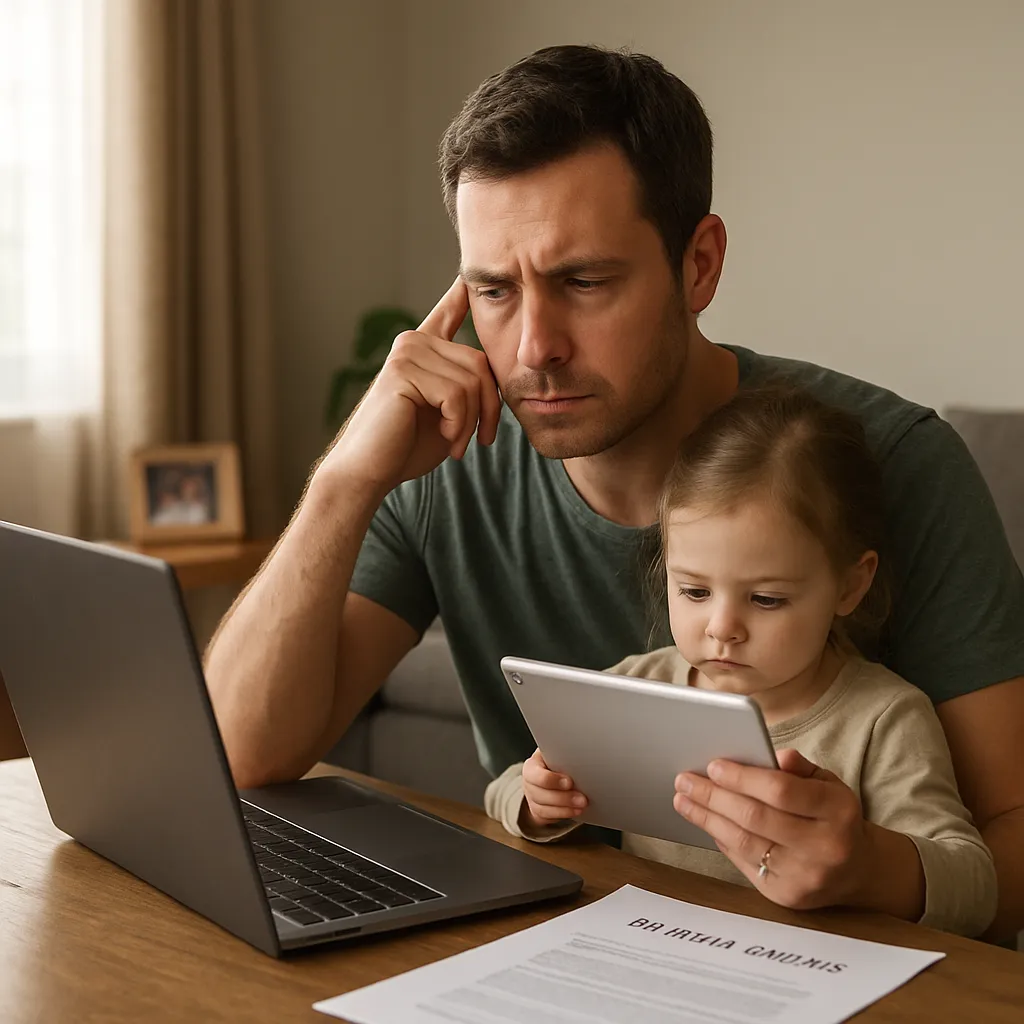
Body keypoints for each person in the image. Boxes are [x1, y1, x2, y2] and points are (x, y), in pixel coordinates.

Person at [204, 45, 1024, 940]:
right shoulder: (442, 460)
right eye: (495, 291)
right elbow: (241, 759)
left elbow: (1008, 841)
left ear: (699, 265)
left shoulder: (894, 464)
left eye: (583, 281)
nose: (532, 348)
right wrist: (341, 482)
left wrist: (879, 868)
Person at [486, 387, 996, 937]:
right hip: (650, 949)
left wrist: (866, 864)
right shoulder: (644, 687)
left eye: (767, 599)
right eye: (694, 592)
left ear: (851, 585)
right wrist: (539, 803)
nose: (722, 628)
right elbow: (503, 789)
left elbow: (974, 885)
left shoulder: (882, 718)